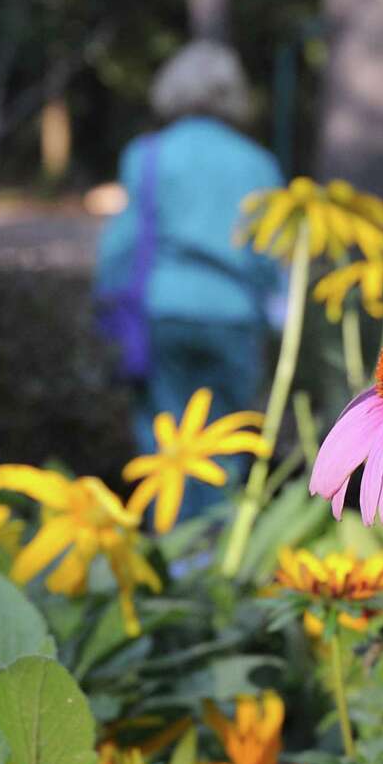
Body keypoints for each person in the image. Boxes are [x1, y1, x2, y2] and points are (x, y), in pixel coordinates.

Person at [95, 42, 282, 521]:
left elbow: (123, 241)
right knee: (228, 434)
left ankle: (173, 552)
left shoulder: (149, 154)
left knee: (166, 440)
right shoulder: (257, 162)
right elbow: (270, 255)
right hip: (234, 312)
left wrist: (105, 305)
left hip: (165, 309)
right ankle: (219, 550)